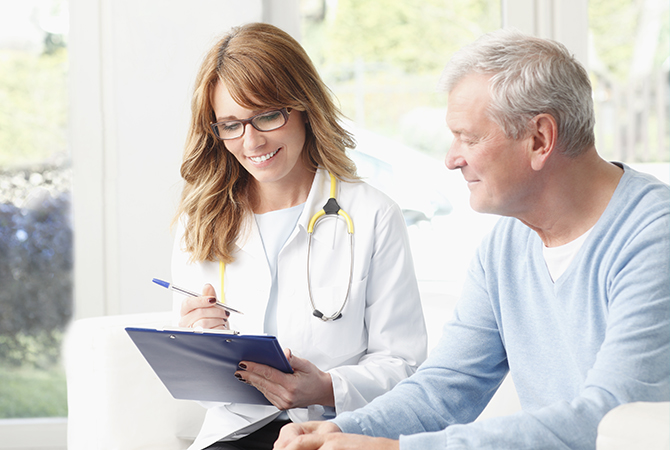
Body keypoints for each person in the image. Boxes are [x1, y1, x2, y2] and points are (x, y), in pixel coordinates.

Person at [273, 29, 670, 450]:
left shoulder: (653, 237)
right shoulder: (505, 247)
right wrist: (346, 430)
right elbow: (446, 386)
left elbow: (609, 419)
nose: (451, 158)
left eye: (469, 137)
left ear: (539, 139)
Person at [170, 22, 427, 450]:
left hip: (337, 430)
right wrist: (196, 341)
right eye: (230, 125)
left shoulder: (372, 214)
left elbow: (404, 365)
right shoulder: (199, 220)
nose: (250, 141)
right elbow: (200, 390)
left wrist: (325, 387)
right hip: (235, 433)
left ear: (304, 106)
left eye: (267, 116)